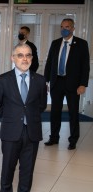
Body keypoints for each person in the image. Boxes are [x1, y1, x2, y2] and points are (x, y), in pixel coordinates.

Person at [0, 43, 47, 192]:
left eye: (28, 55)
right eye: (20, 55)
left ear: (32, 58)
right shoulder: (3, 79)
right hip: (10, 130)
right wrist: (11, 117)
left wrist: (28, 118)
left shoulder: (40, 80)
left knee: (28, 167)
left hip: (32, 131)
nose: (24, 59)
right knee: (8, 166)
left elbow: (42, 105)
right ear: (12, 58)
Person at [43, 18, 90, 150]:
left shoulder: (81, 44)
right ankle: (54, 138)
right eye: (62, 26)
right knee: (55, 112)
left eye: (67, 27)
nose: (64, 29)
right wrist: (45, 81)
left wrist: (83, 84)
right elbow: (49, 63)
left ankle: (73, 140)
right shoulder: (55, 43)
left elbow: (85, 66)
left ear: (73, 28)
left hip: (73, 85)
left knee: (73, 113)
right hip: (56, 82)